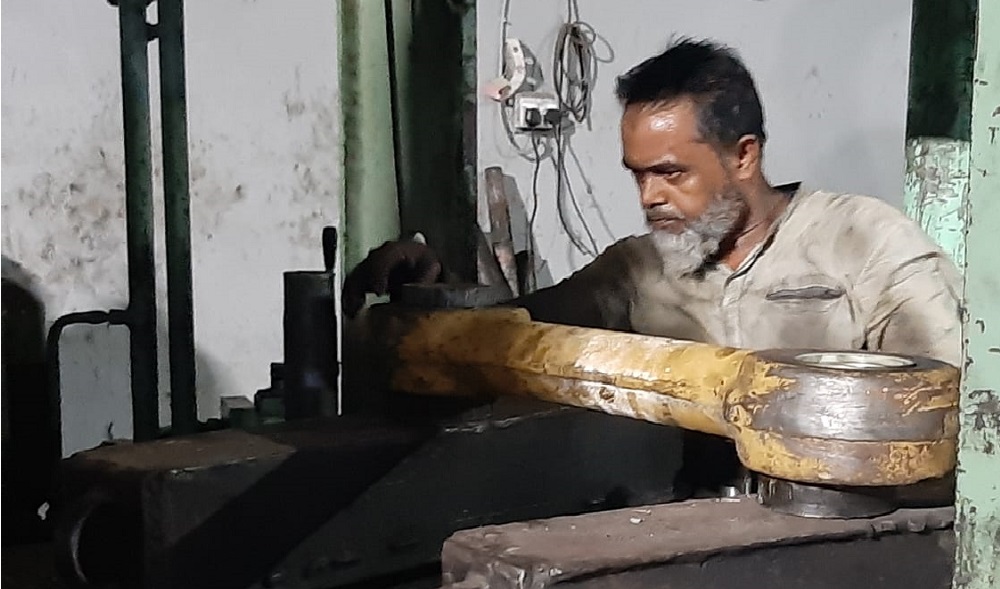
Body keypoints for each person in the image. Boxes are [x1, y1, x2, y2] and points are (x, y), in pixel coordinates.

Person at [343, 38, 963, 492]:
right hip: (692, 536)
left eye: (671, 173)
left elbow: (952, 408)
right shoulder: (638, 270)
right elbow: (516, 332)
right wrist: (437, 299)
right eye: (638, 175)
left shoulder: (864, 243)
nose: (649, 198)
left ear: (744, 156)